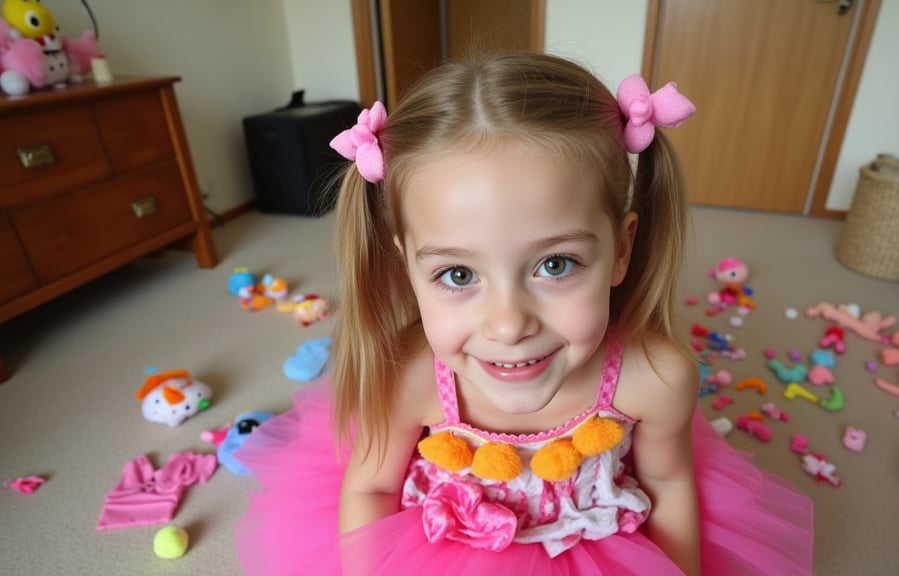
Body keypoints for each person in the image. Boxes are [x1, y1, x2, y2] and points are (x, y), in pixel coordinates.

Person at [234, 52, 813, 576]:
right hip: (438, 547)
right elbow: (371, 485)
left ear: (622, 250)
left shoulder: (655, 376)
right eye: (458, 275)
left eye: (556, 264)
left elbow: (668, 479)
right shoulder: (410, 376)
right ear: (406, 267)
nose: (509, 325)